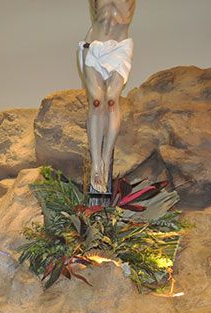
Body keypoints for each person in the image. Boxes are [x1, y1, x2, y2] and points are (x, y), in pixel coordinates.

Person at [78, 0, 136, 193]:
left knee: (111, 100)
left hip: (119, 49)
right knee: (96, 101)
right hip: (94, 46)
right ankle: (96, 165)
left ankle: (106, 158)